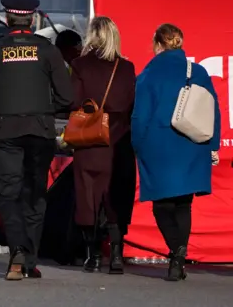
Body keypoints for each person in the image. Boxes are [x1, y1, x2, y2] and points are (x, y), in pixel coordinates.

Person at [0, 0, 73, 280]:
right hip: (40, 131)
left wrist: (4, 113)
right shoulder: (47, 50)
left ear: (7, 18)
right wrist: (42, 111)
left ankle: (17, 250)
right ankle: (29, 259)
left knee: (8, 192)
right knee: (34, 194)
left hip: (6, 131)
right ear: (31, 18)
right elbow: (67, 96)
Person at [131, 23, 220, 282]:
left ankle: (176, 251)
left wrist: (136, 145)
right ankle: (178, 257)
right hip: (193, 144)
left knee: (162, 206)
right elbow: (212, 109)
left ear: (158, 44)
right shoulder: (199, 71)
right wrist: (213, 144)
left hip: (159, 145)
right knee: (184, 205)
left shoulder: (148, 74)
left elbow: (140, 116)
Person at [69, 17, 136, 274]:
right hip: (119, 143)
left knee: (88, 198)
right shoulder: (127, 68)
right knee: (117, 197)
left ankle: (93, 255)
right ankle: (116, 255)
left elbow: (72, 100)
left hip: (89, 142)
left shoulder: (79, 65)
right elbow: (132, 105)